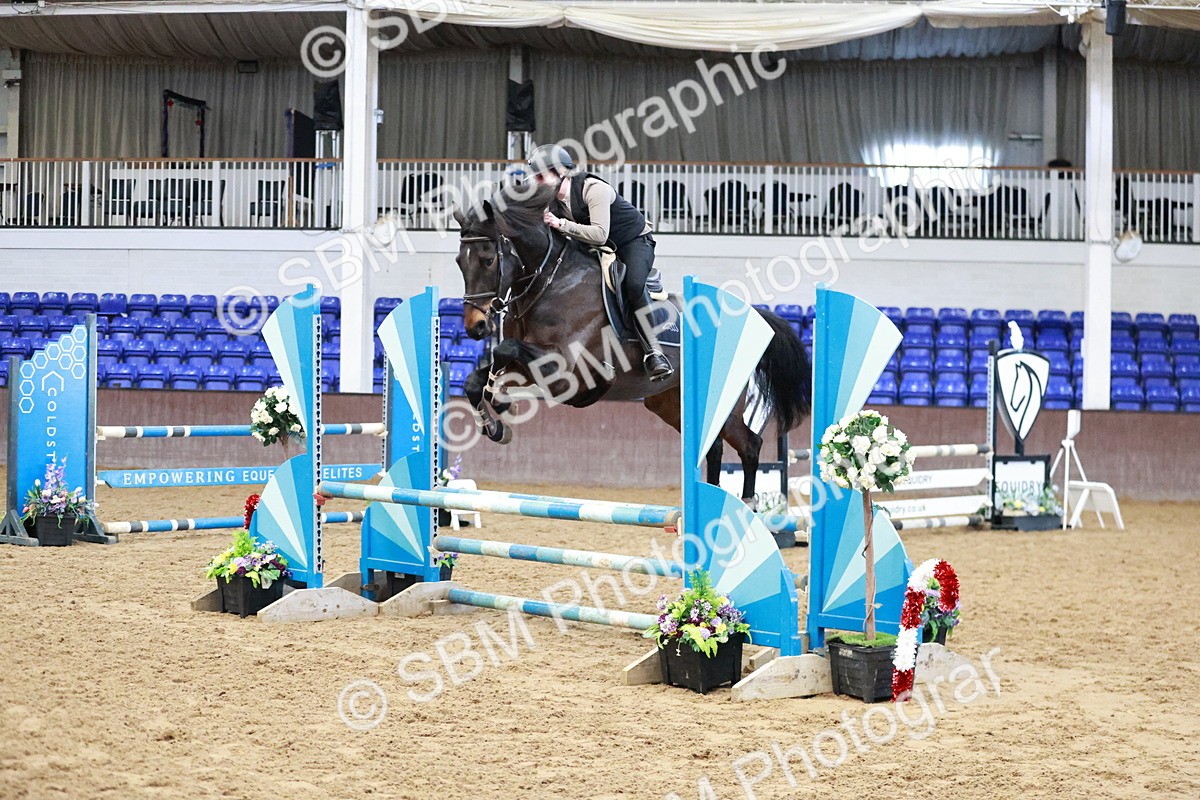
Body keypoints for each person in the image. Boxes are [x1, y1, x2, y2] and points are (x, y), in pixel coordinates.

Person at [525, 144, 673, 382]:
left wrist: (560, 224)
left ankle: (654, 352)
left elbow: (600, 234)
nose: (537, 182)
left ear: (560, 172)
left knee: (634, 284)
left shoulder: (593, 189)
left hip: (632, 243)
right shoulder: (551, 202)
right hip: (595, 247)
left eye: (541, 176)